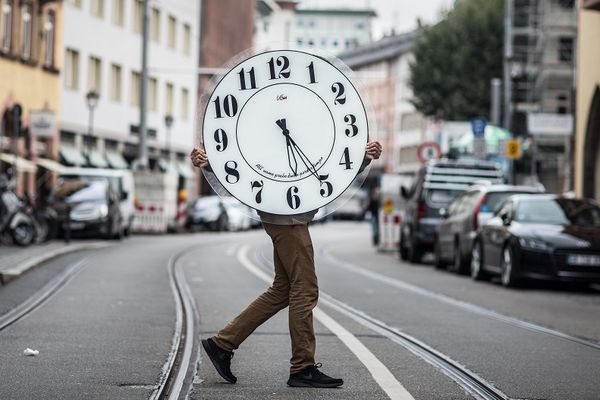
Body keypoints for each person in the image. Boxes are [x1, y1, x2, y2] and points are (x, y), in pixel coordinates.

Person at [190, 140, 382, 388]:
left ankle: (222, 344)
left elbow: (327, 165)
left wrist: (363, 158)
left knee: (283, 289)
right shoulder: (268, 117)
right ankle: (302, 366)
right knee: (305, 288)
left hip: (286, 212)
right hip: (286, 216)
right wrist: (210, 164)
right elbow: (241, 154)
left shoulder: (307, 121)